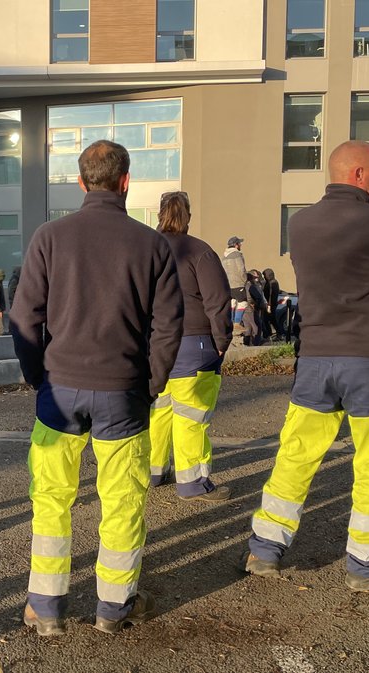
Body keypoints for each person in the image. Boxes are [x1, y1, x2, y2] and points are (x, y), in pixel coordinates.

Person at [10, 140, 183, 637]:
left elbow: (25, 317)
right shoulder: (152, 245)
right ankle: (114, 606)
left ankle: (46, 607)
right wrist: (149, 383)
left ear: (81, 182)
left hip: (59, 390)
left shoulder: (50, 236)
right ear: (125, 182)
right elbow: (169, 326)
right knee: (123, 500)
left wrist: (37, 376)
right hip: (123, 391)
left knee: (51, 497)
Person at [242, 141, 369, 593]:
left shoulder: (300, 223)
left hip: (315, 358)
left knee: (296, 454)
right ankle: (367, 566)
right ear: (359, 173)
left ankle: (264, 549)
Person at [148, 191, 232, 502]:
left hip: (153, 344)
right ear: (188, 216)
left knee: (157, 411)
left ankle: (154, 472)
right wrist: (221, 340)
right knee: (190, 415)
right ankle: (193, 483)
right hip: (193, 344)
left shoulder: (146, 249)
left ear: (159, 214)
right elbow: (217, 301)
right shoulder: (200, 252)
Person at [223, 237, 248, 328]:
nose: (241, 245)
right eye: (239, 243)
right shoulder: (237, 255)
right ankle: (237, 323)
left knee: (232, 303)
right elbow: (241, 269)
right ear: (236, 245)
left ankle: (231, 322)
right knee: (243, 303)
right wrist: (244, 280)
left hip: (229, 285)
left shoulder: (224, 256)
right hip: (238, 283)